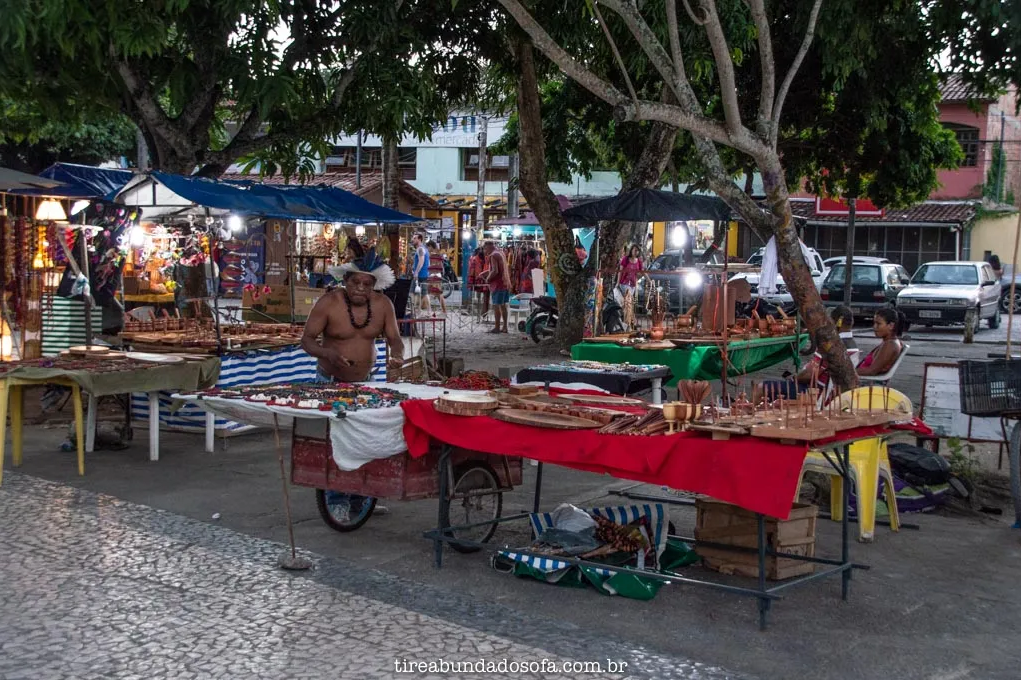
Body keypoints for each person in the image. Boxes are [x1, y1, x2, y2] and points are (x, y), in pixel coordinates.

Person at [302, 245, 404, 383]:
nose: (360, 288)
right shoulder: (329, 302)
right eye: (355, 282)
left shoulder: (383, 305)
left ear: (373, 285)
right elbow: (307, 339)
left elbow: (395, 339)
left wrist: (397, 355)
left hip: (367, 382)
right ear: (345, 280)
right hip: (329, 381)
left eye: (367, 284)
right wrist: (327, 353)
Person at [752, 305, 859, 404]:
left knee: (761, 388)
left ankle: (749, 417)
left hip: (816, 393)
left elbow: (810, 375)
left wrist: (794, 378)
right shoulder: (853, 345)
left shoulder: (830, 345)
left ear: (835, 322)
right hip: (830, 393)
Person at [857, 307, 906, 377]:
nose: (874, 327)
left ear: (891, 326)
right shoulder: (889, 342)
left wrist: (846, 372)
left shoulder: (890, 345)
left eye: (878, 324)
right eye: (874, 323)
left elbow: (871, 371)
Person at [484, 240, 511, 333]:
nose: (485, 251)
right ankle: (505, 327)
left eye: (485, 248)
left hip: (498, 284)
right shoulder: (501, 253)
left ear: (489, 247)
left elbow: (495, 270)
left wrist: (487, 278)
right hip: (505, 283)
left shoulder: (493, 255)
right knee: (503, 305)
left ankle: (497, 327)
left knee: (496, 305)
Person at [426, 240, 447, 316]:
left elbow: (436, 265)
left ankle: (442, 311)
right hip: (436, 274)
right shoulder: (437, 254)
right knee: (436, 294)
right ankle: (438, 311)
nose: (427, 249)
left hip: (434, 275)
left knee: (436, 294)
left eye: (428, 247)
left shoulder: (433, 255)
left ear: (431, 246)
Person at [467, 247, 490, 318]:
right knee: (479, 298)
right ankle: (479, 315)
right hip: (478, 280)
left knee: (486, 298)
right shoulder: (474, 259)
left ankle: (484, 313)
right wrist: (471, 282)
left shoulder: (488, 258)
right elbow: (472, 271)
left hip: (486, 280)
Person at [410, 232, 430, 312]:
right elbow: (427, 262)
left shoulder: (420, 249)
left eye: (415, 238)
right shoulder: (424, 249)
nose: (413, 240)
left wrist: (416, 272)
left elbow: (421, 261)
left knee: (412, 292)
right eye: (413, 238)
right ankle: (425, 310)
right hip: (424, 273)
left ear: (419, 239)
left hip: (420, 274)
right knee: (423, 293)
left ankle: (413, 310)